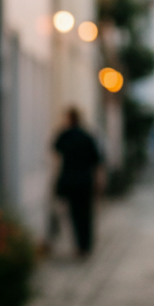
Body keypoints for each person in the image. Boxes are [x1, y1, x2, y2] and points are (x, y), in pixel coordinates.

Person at [53, 107, 102, 257]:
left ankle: (79, 246)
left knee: (74, 214)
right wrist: (99, 181)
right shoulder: (87, 137)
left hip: (71, 182)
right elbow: (97, 160)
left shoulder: (65, 136)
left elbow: (55, 147)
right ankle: (85, 244)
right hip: (85, 181)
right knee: (86, 214)